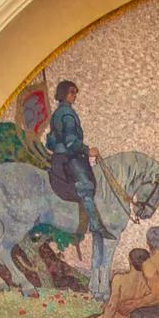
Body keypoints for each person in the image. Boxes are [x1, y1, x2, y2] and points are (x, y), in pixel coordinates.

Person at [42, 81, 102, 258]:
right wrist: (87, 150)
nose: (74, 96)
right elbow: (70, 140)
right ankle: (96, 224)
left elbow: (51, 140)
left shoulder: (57, 113)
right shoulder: (67, 113)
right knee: (86, 185)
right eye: (72, 93)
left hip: (59, 157)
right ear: (64, 94)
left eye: (75, 92)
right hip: (68, 157)